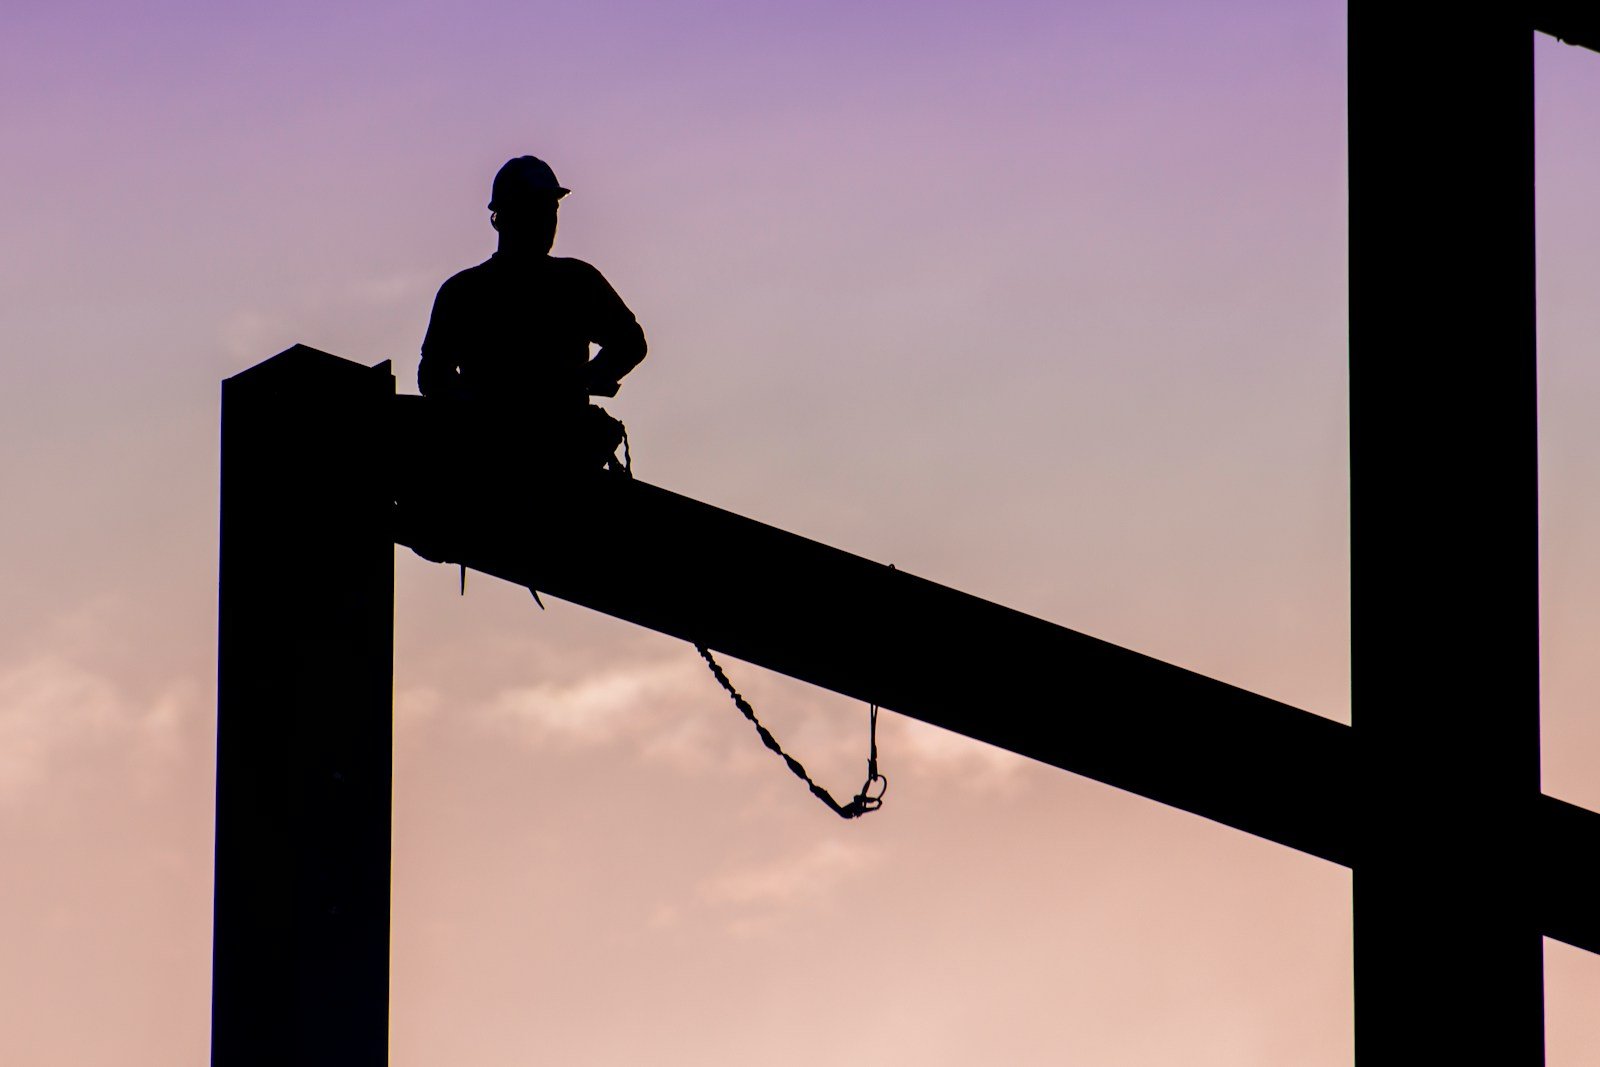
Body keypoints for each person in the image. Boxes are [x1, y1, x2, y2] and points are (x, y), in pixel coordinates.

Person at [417, 155, 647, 469]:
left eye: (551, 211)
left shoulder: (576, 283)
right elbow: (433, 376)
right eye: (535, 211)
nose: (546, 221)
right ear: (503, 218)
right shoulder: (465, 292)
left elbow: (630, 342)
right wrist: (484, 412)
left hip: (564, 458)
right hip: (490, 461)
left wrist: (583, 379)